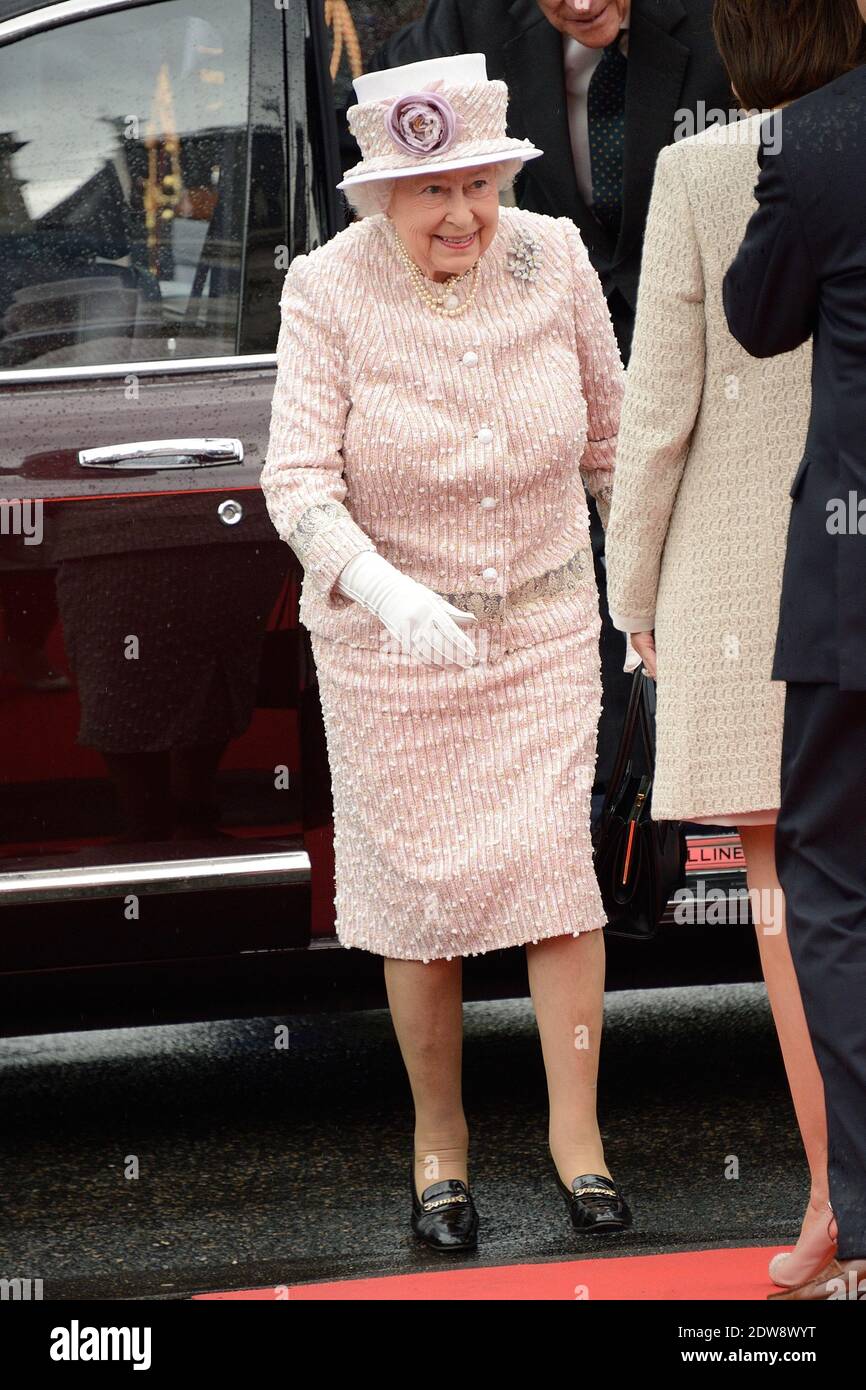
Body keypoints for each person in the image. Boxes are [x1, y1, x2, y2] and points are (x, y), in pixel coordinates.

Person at [261, 52, 632, 1251]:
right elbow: (297, 481)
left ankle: (577, 1141)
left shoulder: (555, 257)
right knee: (418, 899)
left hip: (539, 620)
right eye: (430, 192)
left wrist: (643, 601)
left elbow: (614, 446)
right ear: (380, 197)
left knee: (554, 885)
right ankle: (440, 1147)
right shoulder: (325, 286)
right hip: (388, 651)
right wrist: (377, 583)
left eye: (478, 181)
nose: (462, 212)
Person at [604, 0, 866, 1293]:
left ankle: (832, 1206)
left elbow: (656, 407)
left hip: (739, 586)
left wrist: (628, 588)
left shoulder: (701, 168)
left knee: (791, 911)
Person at [341, 0, 734, 815]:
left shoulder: (724, 25)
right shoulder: (464, 31)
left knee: (688, 620)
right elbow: (382, 150)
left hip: (715, 379)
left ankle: (701, 807)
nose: (582, 3)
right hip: (531, 398)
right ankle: (603, 814)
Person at [722, 8, 866, 1304]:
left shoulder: (806, 144)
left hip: (848, 583)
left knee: (829, 889)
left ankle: (858, 1222)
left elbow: (756, 317)